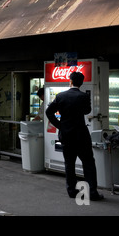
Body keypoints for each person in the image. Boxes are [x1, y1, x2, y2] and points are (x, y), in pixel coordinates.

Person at [45, 72, 104, 201]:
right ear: (81, 83)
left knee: (69, 163)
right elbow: (87, 111)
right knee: (88, 162)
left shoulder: (60, 96)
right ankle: (92, 192)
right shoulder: (83, 96)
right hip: (81, 134)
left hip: (66, 134)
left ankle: (72, 190)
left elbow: (48, 112)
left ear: (70, 81)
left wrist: (60, 125)